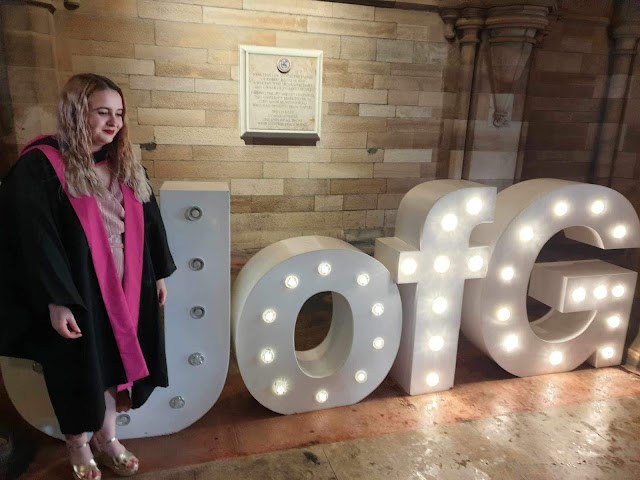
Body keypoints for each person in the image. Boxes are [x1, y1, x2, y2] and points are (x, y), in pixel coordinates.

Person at [0, 73, 176, 479]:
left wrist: (158, 275)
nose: (113, 123)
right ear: (77, 113)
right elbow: (35, 238)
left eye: (118, 114)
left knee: (117, 366)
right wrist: (57, 297)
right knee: (79, 368)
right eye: (102, 112)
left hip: (129, 284)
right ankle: (78, 444)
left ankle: (107, 436)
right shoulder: (42, 166)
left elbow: (151, 223)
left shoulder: (127, 162)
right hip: (78, 288)